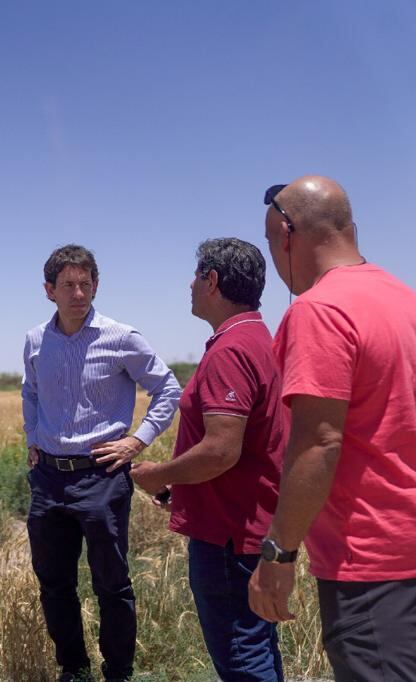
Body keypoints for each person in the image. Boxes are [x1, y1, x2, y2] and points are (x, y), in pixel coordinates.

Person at [248, 176, 416, 680]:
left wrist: (278, 553)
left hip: (368, 559)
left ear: (285, 232)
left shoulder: (319, 310)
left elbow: (320, 441)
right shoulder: (403, 299)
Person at [22, 244, 182, 682]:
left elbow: (169, 389)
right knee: (54, 584)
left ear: (96, 286)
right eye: (68, 285)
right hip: (49, 477)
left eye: (86, 284)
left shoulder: (122, 338)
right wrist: (32, 437)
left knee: (111, 584)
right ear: (48, 291)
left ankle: (119, 672)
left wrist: (136, 440)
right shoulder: (36, 340)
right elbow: (30, 391)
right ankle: (73, 669)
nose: (78, 293)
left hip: (101, 475)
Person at [131, 238, 287, 681]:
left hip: (227, 535)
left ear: (212, 280)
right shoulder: (259, 338)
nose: (190, 286)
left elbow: (220, 450)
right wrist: (180, 484)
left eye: (196, 276)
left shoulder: (230, 350)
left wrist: (156, 473)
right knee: (257, 646)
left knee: (242, 656)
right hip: (252, 524)